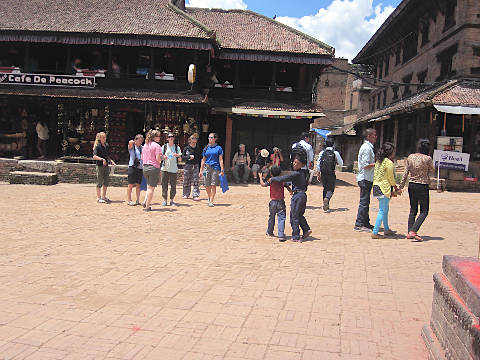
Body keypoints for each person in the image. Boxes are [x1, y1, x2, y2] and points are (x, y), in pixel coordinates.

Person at [267, 155, 312, 242]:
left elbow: (284, 178)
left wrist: (273, 179)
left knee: (294, 216)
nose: (294, 164)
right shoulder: (303, 172)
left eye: (297, 163)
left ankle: (296, 236)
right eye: (294, 162)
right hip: (303, 195)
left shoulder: (296, 174)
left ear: (302, 165)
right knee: (299, 214)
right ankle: (306, 229)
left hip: (297, 196)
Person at [399, 139, 434, 241]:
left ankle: (410, 231)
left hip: (412, 185)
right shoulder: (427, 159)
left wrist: (401, 186)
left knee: (413, 209)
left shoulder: (410, 157)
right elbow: (432, 170)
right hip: (422, 185)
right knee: (424, 211)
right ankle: (413, 231)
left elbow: (405, 172)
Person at [371, 142, 400, 239]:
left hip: (376, 187)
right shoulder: (389, 163)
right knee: (382, 210)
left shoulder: (379, 161)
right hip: (384, 188)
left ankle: (386, 229)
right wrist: (395, 187)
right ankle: (375, 232)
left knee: (385, 209)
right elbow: (390, 177)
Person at [260, 165, 291, 242]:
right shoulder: (282, 180)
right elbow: (287, 186)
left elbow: (263, 184)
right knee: (281, 218)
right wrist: (290, 191)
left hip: (273, 202)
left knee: (271, 217)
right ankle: (281, 235)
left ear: (271, 173)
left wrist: (260, 177)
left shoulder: (271, 180)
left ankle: (270, 232)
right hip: (281, 202)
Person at [354, 128, 377, 232]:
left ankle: (365, 222)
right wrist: (378, 164)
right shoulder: (366, 148)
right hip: (365, 177)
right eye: (374, 135)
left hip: (368, 177)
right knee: (364, 201)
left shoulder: (369, 147)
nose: (376, 137)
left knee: (366, 201)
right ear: (369, 136)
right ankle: (359, 224)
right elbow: (365, 165)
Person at [316, 138, 343, 212]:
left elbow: (318, 164)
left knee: (325, 187)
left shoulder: (322, 152)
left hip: (323, 172)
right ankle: (327, 199)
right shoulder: (335, 153)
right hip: (331, 172)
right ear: (333, 144)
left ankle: (325, 204)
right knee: (331, 188)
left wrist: (318, 173)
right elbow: (341, 164)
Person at [199, 132, 224, 207]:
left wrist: (222, 169)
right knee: (207, 185)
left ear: (215, 139)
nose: (209, 139)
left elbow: (220, 159)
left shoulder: (219, 148)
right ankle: (209, 197)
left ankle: (211, 200)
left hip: (215, 168)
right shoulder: (206, 148)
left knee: (213, 184)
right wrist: (201, 170)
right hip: (206, 168)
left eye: (211, 137)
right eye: (209, 137)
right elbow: (203, 160)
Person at [141, 129, 163, 211]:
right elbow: (158, 158)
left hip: (145, 167)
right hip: (153, 167)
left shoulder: (145, 145)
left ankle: (145, 201)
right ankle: (147, 206)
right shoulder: (157, 146)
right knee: (151, 188)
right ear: (154, 137)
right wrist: (162, 159)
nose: (159, 138)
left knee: (148, 186)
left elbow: (142, 157)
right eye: (158, 136)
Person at [92, 131, 116, 203]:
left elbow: (107, 156)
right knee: (99, 181)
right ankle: (98, 197)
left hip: (106, 166)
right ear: (100, 138)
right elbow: (94, 156)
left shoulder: (106, 145)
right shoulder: (97, 146)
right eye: (103, 137)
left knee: (106, 181)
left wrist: (111, 161)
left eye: (105, 137)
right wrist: (101, 159)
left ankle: (104, 196)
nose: (105, 138)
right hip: (100, 166)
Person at [160, 132, 182, 206]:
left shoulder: (177, 147)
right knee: (164, 185)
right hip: (165, 168)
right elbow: (159, 157)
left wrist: (177, 155)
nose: (171, 138)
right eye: (169, 137)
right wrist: (163, 157)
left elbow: (180, 159)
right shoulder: (164, 147)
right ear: (167, 138)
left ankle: (172, 200)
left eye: (172, 136)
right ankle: (164, 200)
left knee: (173, 185)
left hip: (173, 169)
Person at [182, 134, 202, 200]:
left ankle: (195, 194)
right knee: (186, 179)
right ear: (190, 140)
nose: (194, 140)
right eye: (193, 138)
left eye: (196, 139)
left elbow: (200, 157)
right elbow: (183, 157)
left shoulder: (198, 148)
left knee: (196, 180)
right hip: (188, 165)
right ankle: (185, 194)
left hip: (195, 165)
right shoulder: (186, 148)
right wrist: (188, 157)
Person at [126, 134, 144, 206]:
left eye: (141, 141)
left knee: (138, 185)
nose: (140, 142)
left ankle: (137, 200)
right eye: (139, 140)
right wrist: (133, 142)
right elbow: (129, 143)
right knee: (130, 184)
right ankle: (129, 200)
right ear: (135, 140)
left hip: (139, 167)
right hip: (132, 167)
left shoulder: (142, 148)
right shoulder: (132, 147)